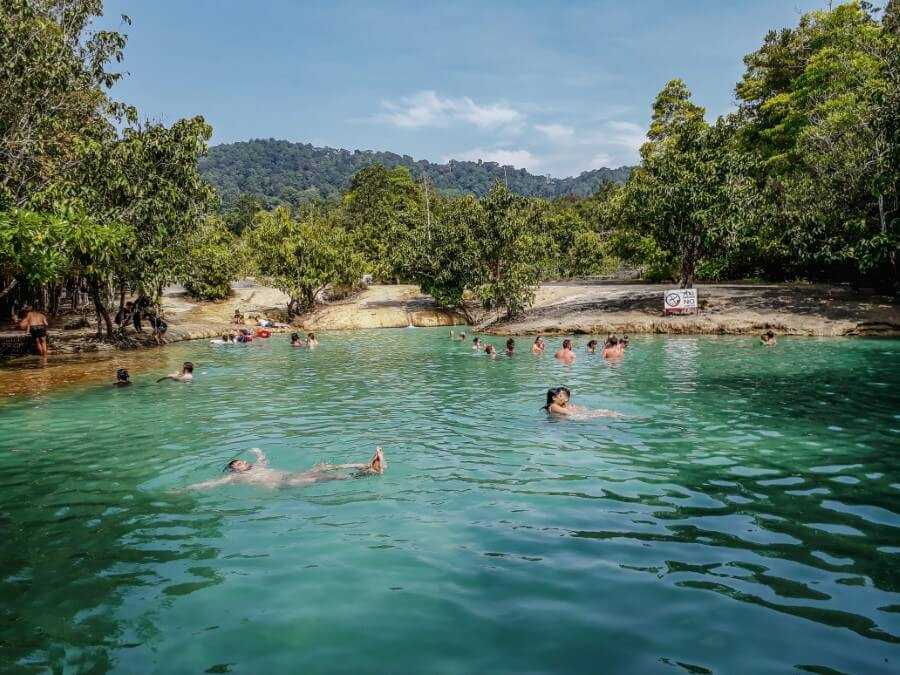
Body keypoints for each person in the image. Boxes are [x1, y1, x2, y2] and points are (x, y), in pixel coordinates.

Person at [187, 447, 386, 490]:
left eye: (242, 461)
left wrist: (257, 452)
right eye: (238, 464)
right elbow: (213, 483)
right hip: (284, 483)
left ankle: (364, 465)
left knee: (322, 467)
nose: (243, 463)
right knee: (329, 477)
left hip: (291, 476)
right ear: (234, 471)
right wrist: (188, 489)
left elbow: (263, 459)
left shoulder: (256, 467)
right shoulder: (235, 478)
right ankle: (370, 473)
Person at [542, 387, 620, 419]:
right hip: (570, 421)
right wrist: (587, 414)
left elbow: (570, 410)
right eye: (561, 396)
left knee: (605, 412)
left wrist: (580, 409)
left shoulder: (558, 405)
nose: (564, 398)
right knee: (604, 414)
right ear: (554, 398)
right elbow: (568, 413)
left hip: (571, 419)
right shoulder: (553, 406)